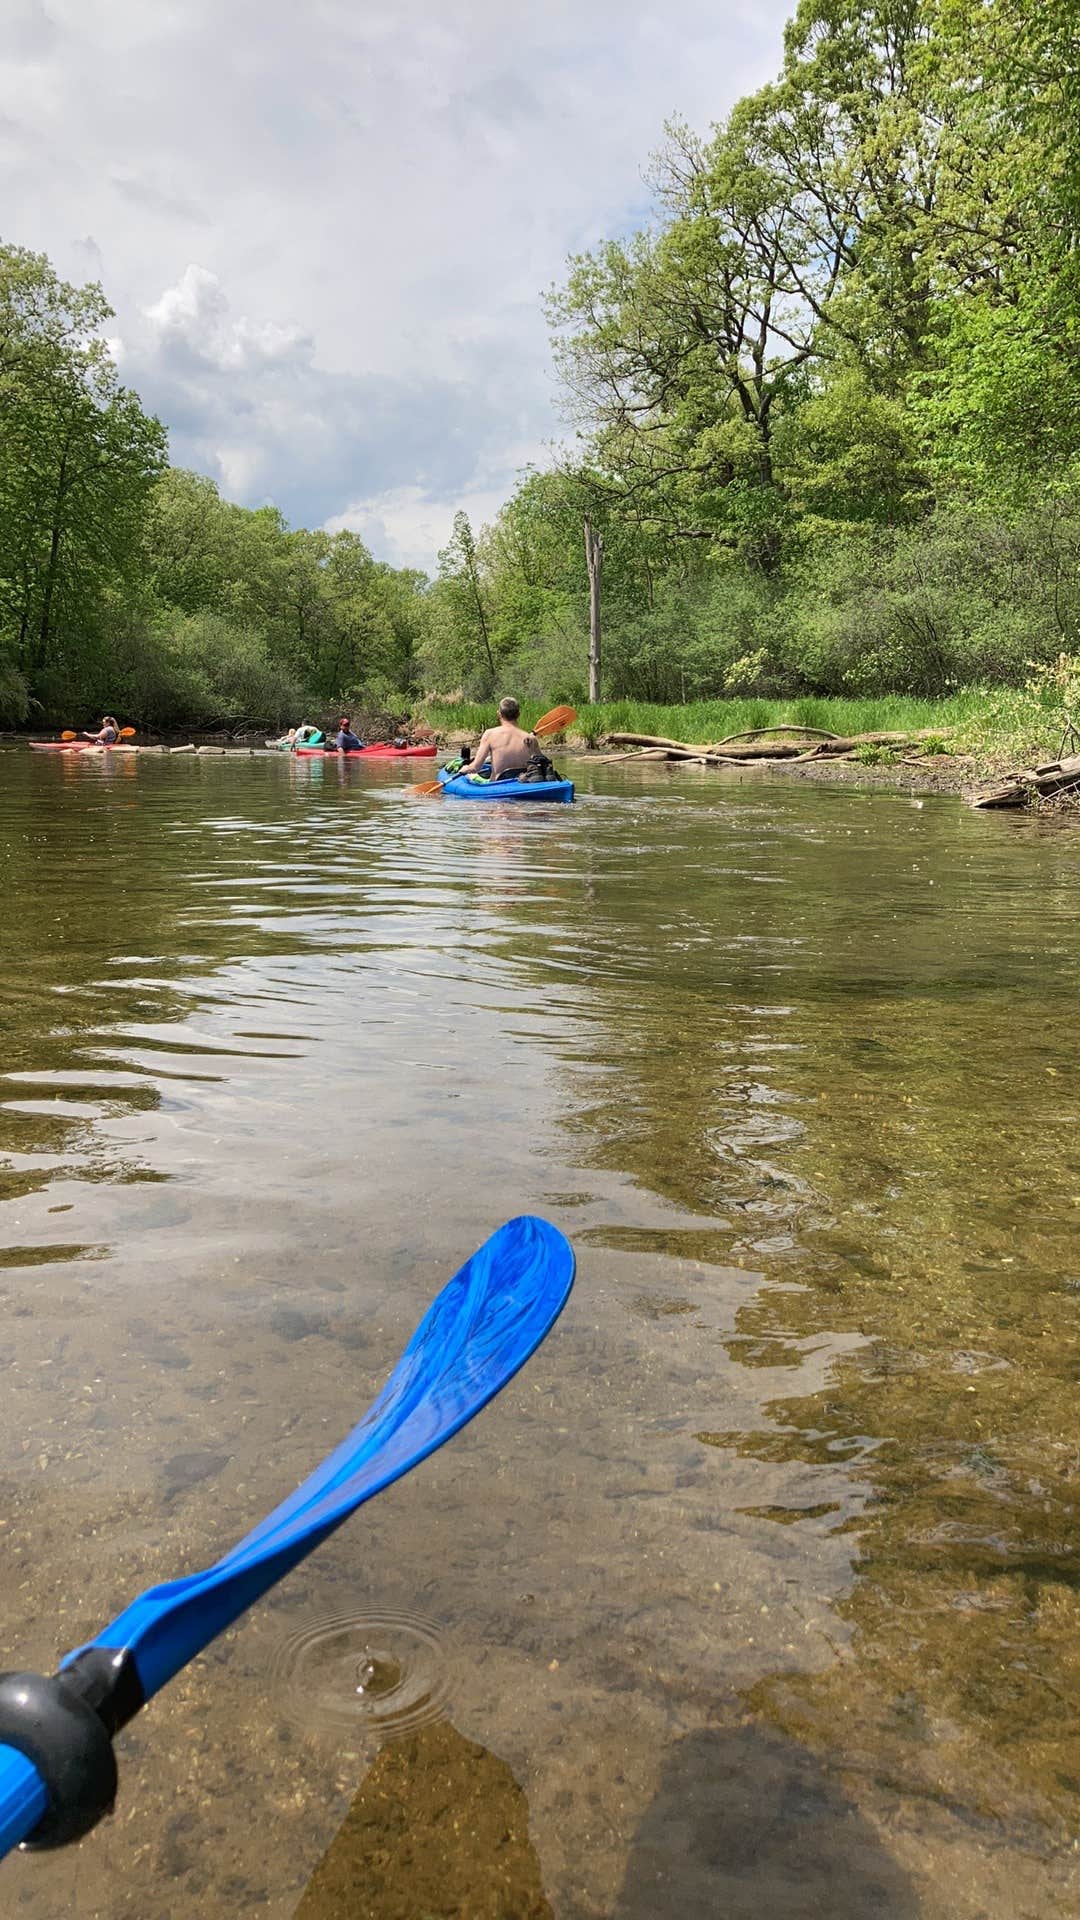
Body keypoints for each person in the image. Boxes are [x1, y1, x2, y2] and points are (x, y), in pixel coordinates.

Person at [466, 697, 538, 780]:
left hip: (497, 784)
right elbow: (542, 762)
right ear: (519, 714)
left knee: (470, 776)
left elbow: (475, 767)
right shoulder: (531, 738)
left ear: (499, 714)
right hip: (523, 781)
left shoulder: (490, 734)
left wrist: (465, 769)